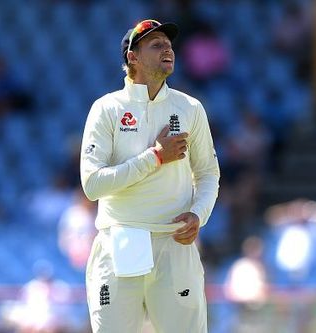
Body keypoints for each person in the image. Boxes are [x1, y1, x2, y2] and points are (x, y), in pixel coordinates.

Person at [80, 19, 220, 332]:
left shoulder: (190, 108)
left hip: (175, 243)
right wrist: (155, 157)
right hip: (119, 243)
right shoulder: (106, 109)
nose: (168, 49)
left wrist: (199, 214)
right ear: (133, 57)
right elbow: (92, 185)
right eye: (156, 45)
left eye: (169, 44)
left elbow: (209, 173)